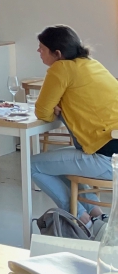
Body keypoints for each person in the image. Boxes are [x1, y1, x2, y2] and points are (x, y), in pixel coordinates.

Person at [28, 25, 118, 225]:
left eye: (42, 48)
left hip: (106, 158)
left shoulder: (61, 68)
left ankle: (81, 219)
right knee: (59, 163)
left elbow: (42, 112)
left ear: (57, 53)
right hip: (112, 152)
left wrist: (54, 110)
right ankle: (96, 216)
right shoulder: (91, 64)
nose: (38, 51)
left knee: (31, 165)